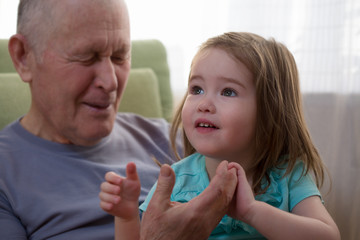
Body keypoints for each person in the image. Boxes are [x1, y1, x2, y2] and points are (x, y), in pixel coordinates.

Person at [0, 0, 239, 239]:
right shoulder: (6, 174)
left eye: (119, 57)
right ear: (23, 57)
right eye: (86, 57)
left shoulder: (177, 139)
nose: (111, 81)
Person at [99, 32, 341, 240]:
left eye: (228, 91)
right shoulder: (175, 183)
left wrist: (252, 212)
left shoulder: (289, 175)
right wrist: (127, 216)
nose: (204, 103)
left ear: (270, 110)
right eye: (197, 89)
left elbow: (328, 236)